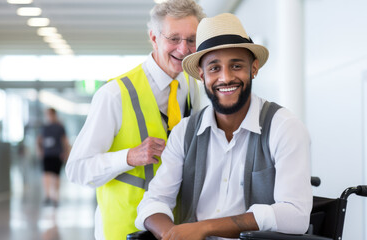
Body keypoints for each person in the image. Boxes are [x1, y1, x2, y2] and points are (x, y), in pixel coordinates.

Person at [135, 13, 313, 240]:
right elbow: (154, 201)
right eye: (214, 68)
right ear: (202, 75)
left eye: (236, 65)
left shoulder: (284, 128)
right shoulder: (185, 133)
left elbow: (296, 216)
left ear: (254, 68)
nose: (226, 77)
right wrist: (172, 235)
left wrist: (205, 227)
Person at [65, 0, 205, 239]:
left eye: (191, 39)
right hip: (125, 228)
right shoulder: (114, 94)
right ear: (153, 37)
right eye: (174, 38)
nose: (183, 49)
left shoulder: (192, 85)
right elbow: (77, 170)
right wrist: (129, 157)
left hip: (176, 228)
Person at [37, 107, 70, 207]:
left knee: (56, 176)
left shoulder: (60, 127)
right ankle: (47, 196)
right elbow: (39, 140)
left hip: (57, 154)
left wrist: (67, 153)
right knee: (46, 175)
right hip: (47, 155)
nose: (48, 117)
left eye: (50, 114)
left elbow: (65, 141)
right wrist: (40, 151)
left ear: (54, 115)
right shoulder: (44, 127)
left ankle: (55, 197)